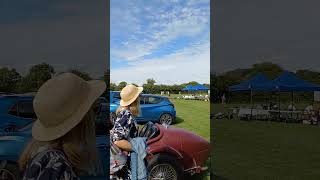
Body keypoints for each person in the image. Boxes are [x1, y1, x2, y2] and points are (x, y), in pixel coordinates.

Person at [19, 73, 106, 180]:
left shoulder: (46, 158)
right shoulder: (56, 165)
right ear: (80, 121)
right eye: (95, 109)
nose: (95, 118)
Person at [110, 84, 143, 179]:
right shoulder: (126, 114)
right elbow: (118, 140)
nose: (140, 98)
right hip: (122, 164)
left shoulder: (125, 112)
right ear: (135, 100)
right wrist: (137, 148)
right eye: (138, 96)